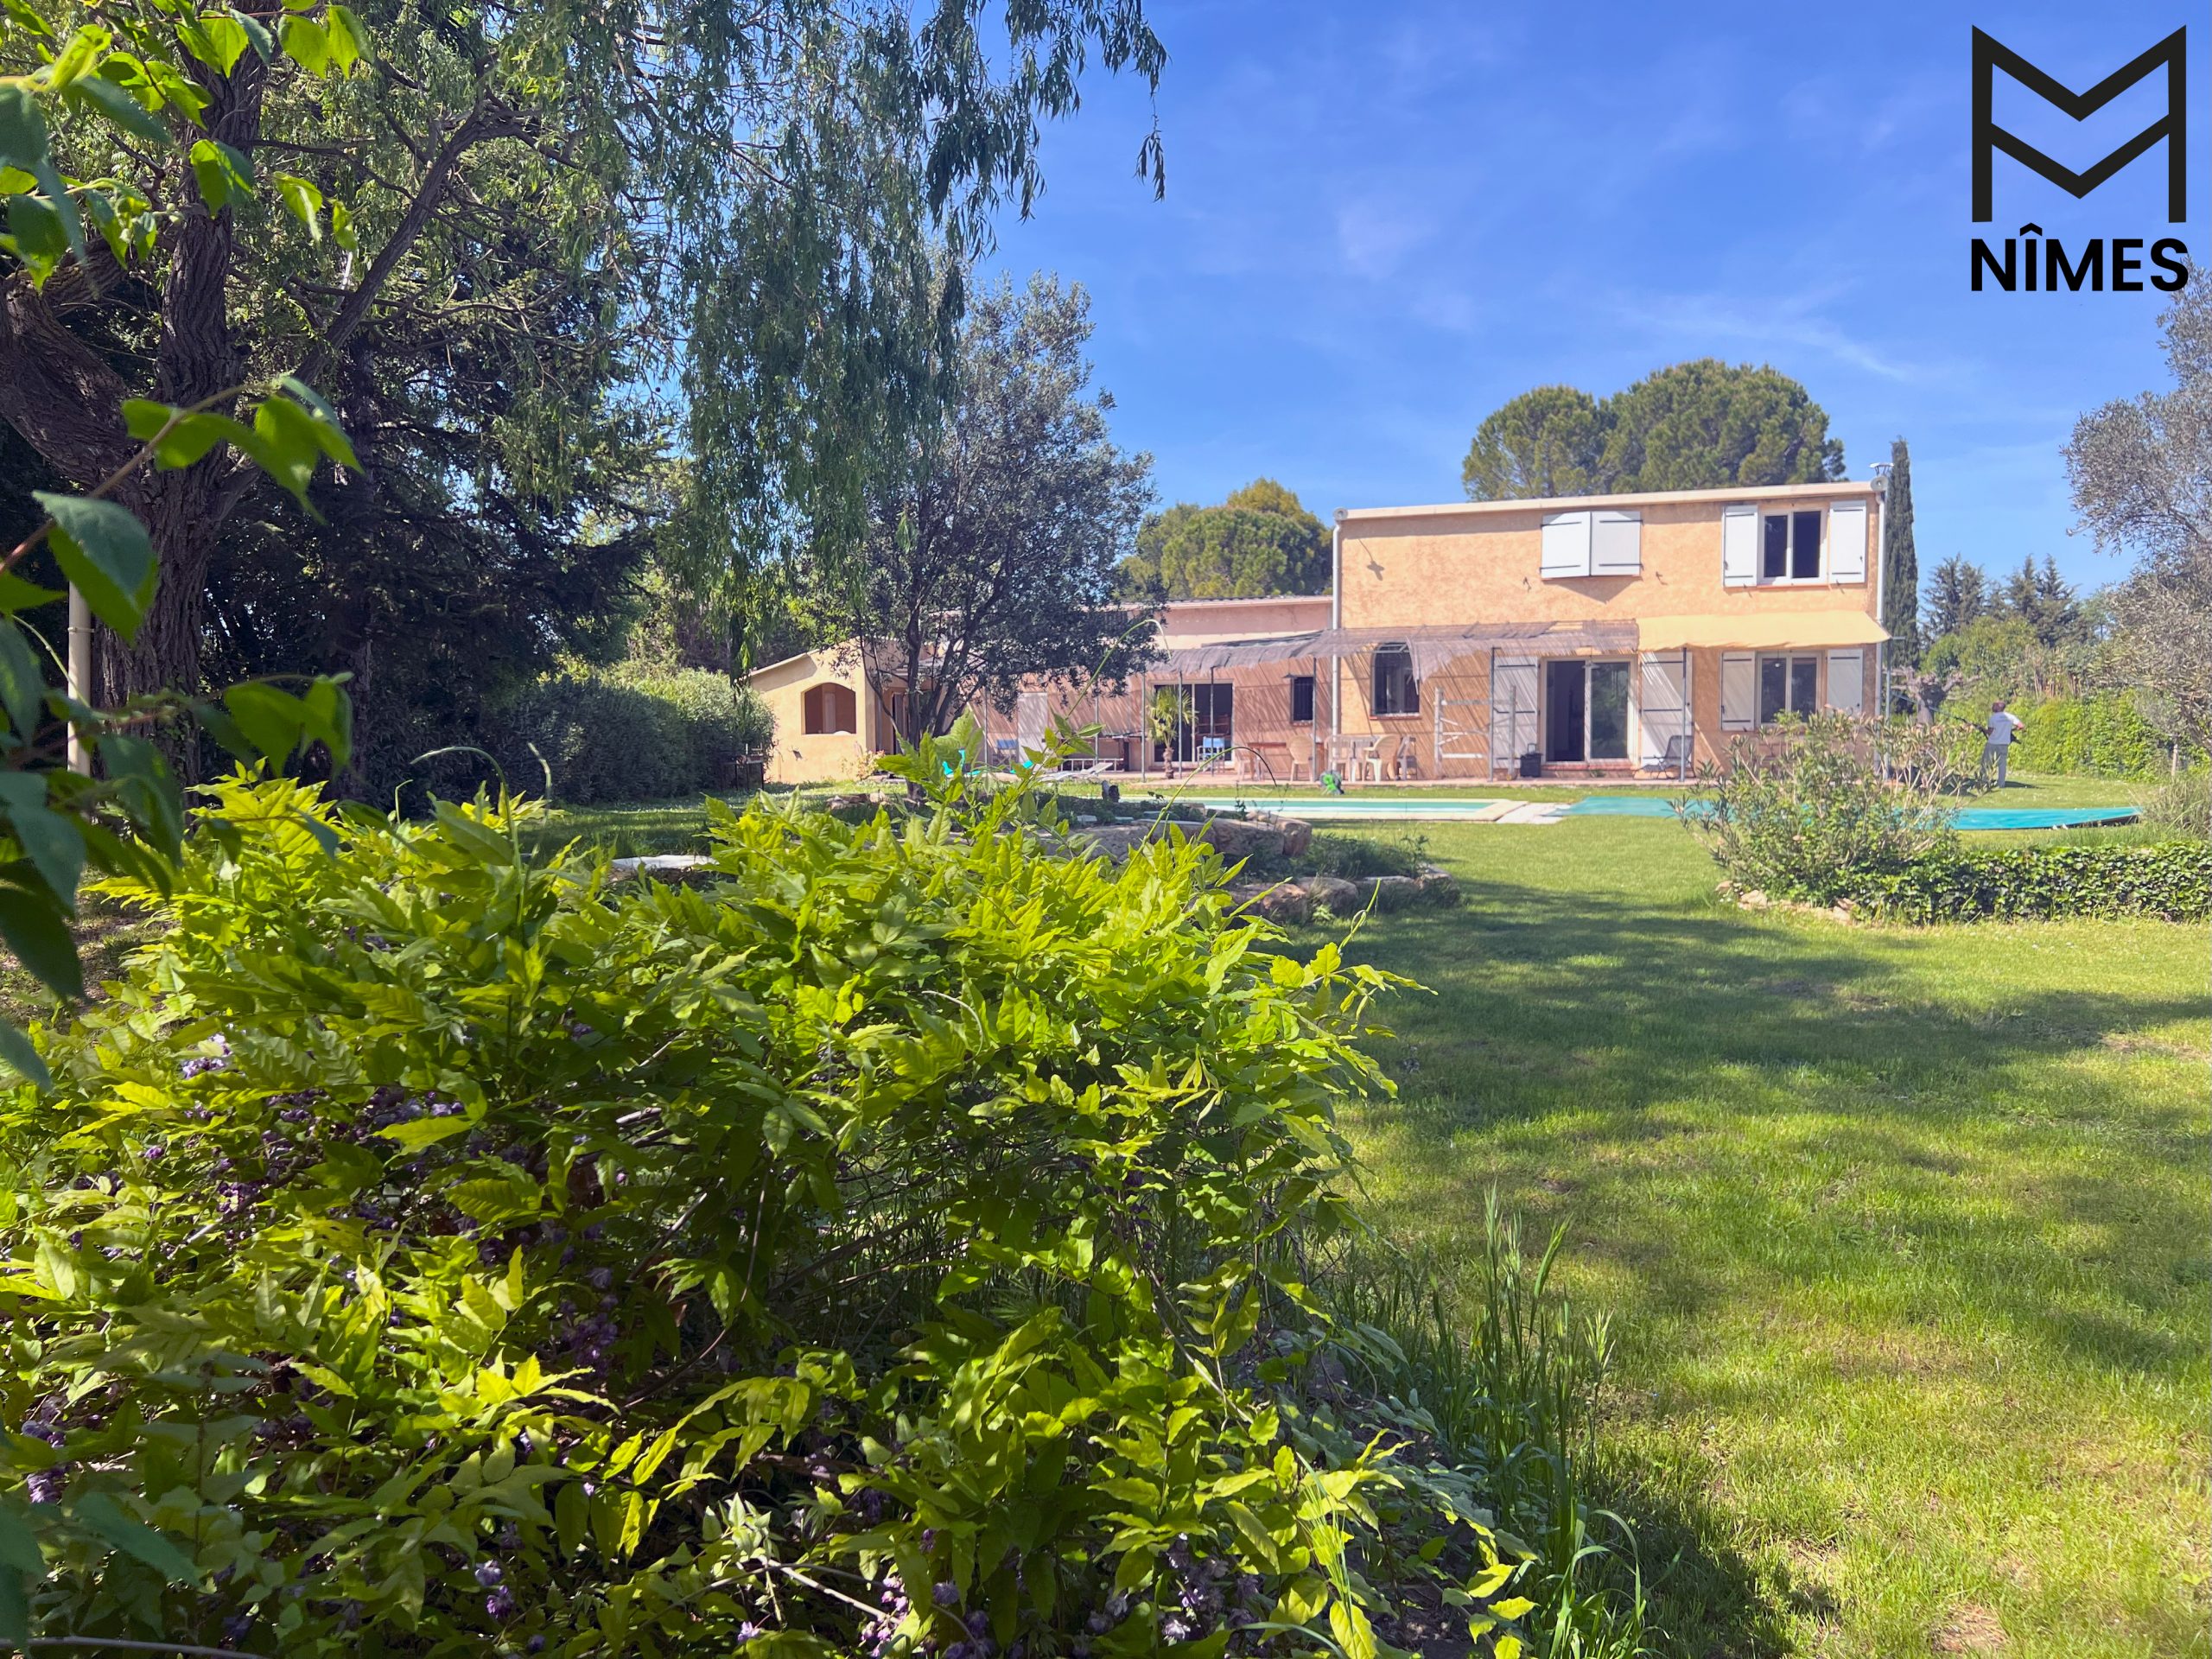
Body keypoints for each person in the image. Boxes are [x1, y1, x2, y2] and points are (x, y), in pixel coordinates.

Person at [1980, 699, 2024, 787]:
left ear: (1998, 707)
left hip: (1992, 743)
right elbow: (2021, 726)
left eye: (1994, 705)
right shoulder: (2010, 717)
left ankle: (1984, 781)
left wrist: (1982, 728)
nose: (1992, 707)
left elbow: (1989, 732)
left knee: (1987, 763)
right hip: (2004, 744)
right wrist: (2011, 730)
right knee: (2002, 764)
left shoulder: (1993, 718)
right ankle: (2001, 784)